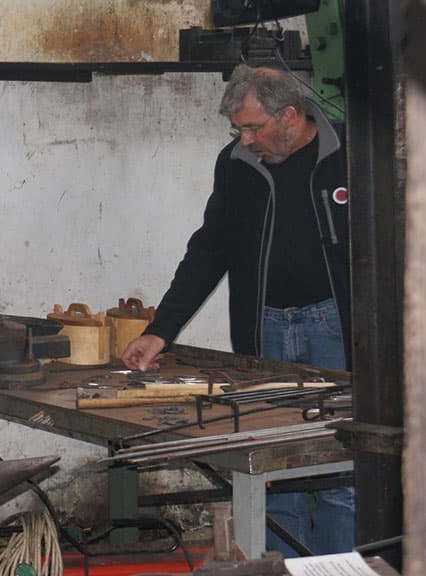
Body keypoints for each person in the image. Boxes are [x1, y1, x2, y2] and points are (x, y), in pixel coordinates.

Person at [119, 65, 352, 557]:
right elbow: (209, 250)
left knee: (341, 472)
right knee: (269, 467)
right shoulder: (236, 165)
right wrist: (161, 331)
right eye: (238, 130)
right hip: (266, 331)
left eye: (252, 127)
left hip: (337, 330)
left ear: (289, 115)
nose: (244, 140)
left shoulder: (353, 157)